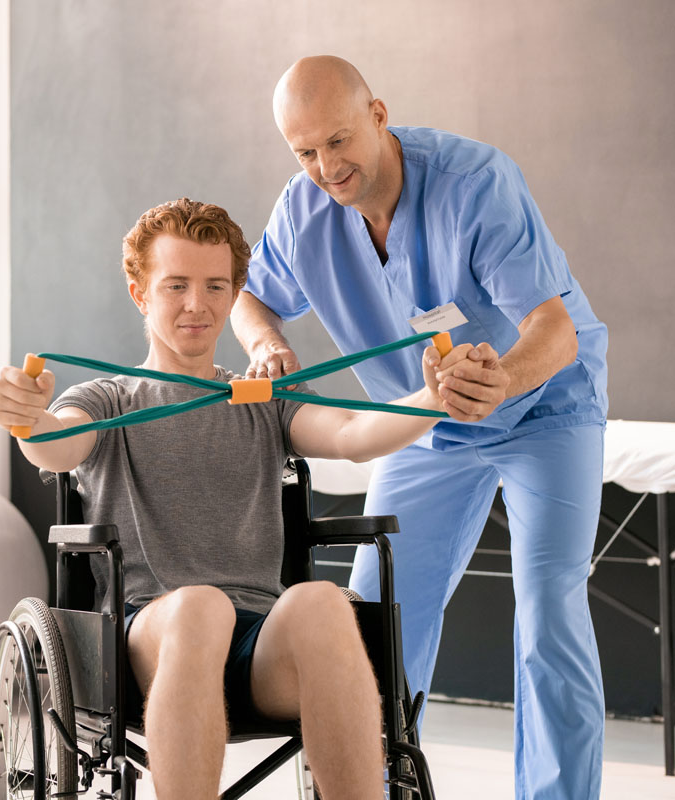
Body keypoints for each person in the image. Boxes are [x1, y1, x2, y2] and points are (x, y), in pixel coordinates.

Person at [0, 197, 470, 800]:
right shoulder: (109, 400)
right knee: (200, 608)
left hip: (256, 647)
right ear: (141, 293)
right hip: (146, 641)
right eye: (176, 286)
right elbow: (56, 444)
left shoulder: (263, 399)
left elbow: (352, 435)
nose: (198, 304)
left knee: (323, 600)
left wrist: (433, 398)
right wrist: (29, 421)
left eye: (217, 286)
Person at [231, 55, 609, 800]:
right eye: (304, 152)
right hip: (428, 424)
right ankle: (371, 789)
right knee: (372, 619)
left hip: (545, 407)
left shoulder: (476, 184)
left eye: (338, 142)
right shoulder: (304, 211)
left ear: (378, 115)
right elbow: (250, 298)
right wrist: (264, 342)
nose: (325, 167)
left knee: (548, 609)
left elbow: (553, 329)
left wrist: (503, 378)